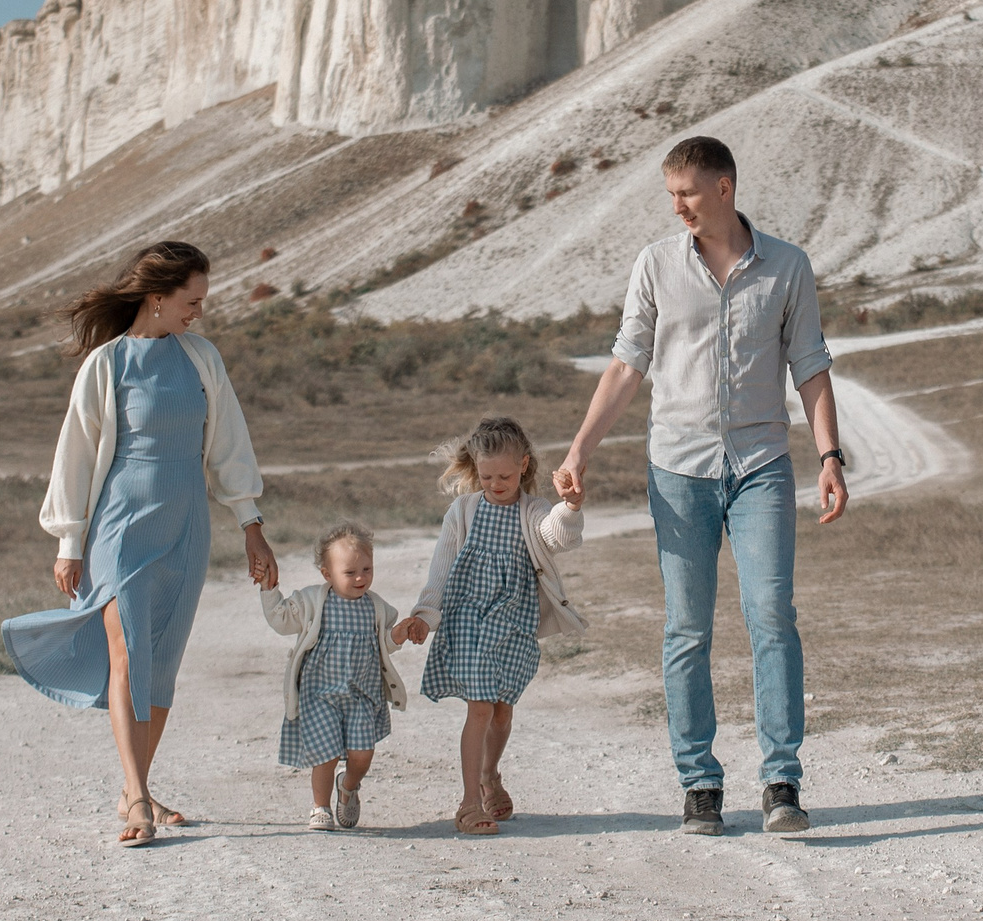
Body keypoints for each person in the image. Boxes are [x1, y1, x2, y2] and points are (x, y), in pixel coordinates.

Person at [552, 136, 846, 838]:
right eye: (670, 194)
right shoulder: (655, 264)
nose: (676, 205)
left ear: (724, 189)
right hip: (678, 468)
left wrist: (831, 455)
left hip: (761, 466)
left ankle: (782, 782)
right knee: (687, 628)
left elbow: (810, 365)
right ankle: (700, 784)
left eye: (686, 191)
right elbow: (628, 365)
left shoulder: (787, 267)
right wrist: (579, 449)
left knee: (772, 614)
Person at [1, 241, 277, 846]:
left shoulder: (201, 359)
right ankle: (136, 802)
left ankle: (136, 789)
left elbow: (231, 445)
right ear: (158, 297)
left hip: (185, 526)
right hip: (120, 527)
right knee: (127, 652)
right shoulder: (107, 365)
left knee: (162, 664)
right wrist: (70, 541)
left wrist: (251, 526)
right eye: (192, 300)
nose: (199, 312)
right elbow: (74, 455)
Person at [393, 417, 586, 836]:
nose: (495, 484)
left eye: (504, 475)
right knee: (480, 707)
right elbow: (441, 569)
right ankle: (467, 803)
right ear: (474, 470)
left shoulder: (532, 511)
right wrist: (425, 615)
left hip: (514, 624)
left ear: (523, 466)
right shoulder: (463, 510)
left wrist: (569, 507)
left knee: (501, 712)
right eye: (485, 476)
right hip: (467, 621)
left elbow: (558, 538)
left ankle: (490, 775)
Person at [260, 521, 405, 832]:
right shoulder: (313, 601)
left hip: (361, 696)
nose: (360, 578)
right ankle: (320, 807)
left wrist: (401, 633)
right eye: (350, 572)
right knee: (324, 755)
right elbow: (281, 619)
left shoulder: (377, 608)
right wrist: (269, 589)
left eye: (367, 569)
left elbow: (385, 645)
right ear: (327, 574)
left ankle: (349, 786)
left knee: (363, 754)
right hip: (319, 695)